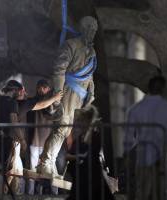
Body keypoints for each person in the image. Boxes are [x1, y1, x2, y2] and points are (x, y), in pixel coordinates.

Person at [37, 16, 98, 177]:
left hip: (80, 96)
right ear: (82, 29)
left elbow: (90, 76)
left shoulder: (92, 51)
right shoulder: (71, 45)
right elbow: (59, 70)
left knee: (66, 130)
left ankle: (49, 162)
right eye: (89, 29)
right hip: (67, 91)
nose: (91, 33)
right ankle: (45, 162)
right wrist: (57, 96)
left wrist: (91, 93)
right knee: (61, 129)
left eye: (94, 30)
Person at [124, 75, 167, 200]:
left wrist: (127, 153)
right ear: (162, 89)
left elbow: (129, 135)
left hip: (143, 155)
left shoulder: (136, 108)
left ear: (149, 88)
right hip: (162, 155)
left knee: (142, 190)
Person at [0, 79, 62, 194]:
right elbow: (14, 121)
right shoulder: (17, 103)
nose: (25, 93)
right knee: (12, 173)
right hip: (13, 142)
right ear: (19, 91)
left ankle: (14, 194)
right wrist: (55, 97)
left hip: (5, 141)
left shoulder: (3, 101)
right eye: (23, 91)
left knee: (14, 173)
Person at [66, 106, 115, 200]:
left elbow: (89, 155)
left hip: (92, 175)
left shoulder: (96, 136)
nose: (79, 123)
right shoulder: (80, 138)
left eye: (82, 121)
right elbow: (71, 154)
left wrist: (76, 157)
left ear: (89, 121)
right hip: (82, 176)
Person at [27, 79, 59, 195]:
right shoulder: (34, 101)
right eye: (39, 87)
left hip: (48, 143)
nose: (41, 89)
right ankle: (31, 195)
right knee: (33, 170)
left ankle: (54, 194)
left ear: (48, 89)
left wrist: (54, 99)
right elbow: (42, 104)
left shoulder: (54, 103)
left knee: (50, 169)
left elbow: (53, 112)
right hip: (35, 141)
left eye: (44, 87)